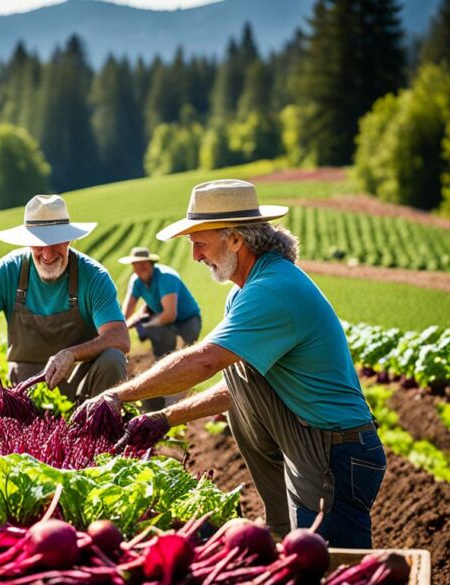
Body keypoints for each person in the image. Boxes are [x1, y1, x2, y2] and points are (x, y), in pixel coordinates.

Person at [72, 179, 385, 548]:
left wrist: (117, 396)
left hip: (335, 454)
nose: (195, 256)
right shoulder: (246, 291)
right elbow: (240, 387)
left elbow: (205, 361)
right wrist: (163, 418)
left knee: (333, 567)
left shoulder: (271, 289)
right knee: (299, 560)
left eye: (200, 242)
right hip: (312, 446)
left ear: (236, 239)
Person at [0, 194, 129, 400]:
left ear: (69, 240)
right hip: (24, 393)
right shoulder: (9, 271)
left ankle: (99, 429)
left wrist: (71, 354)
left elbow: (119, 337)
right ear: (27, 242)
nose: (47, 253)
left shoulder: (93, 277)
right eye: (39, 243)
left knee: (113, 358)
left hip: (81, 386)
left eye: (56, 242)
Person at [118, 246, 202, 410]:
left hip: (187, 320)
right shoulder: (136, 281)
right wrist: (121, 329)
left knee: (185, 358)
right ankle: (160, 383)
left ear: (151, 263)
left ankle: (179, 401)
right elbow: (126, 314)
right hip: (165, 323)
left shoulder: (166, 278)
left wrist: (145, 325)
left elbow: (170, 314)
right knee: (163, 354)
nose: (140, 268)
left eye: (144, 264)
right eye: (136, 264)